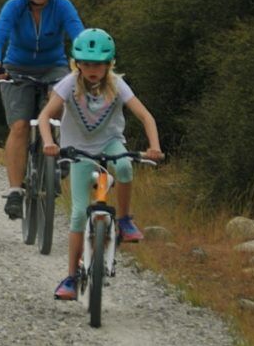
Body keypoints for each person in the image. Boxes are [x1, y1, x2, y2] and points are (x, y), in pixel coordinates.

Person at [37, 28, 164, 300]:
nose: (92, 70)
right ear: (77, 64)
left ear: (109, 64)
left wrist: (155, 147)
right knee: (78, 214)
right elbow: (46, 116)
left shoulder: (117, 85)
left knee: (126, 167)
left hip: (110, 145)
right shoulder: (69, 84)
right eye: (86, 64)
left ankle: (125, 219)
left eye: (99, 64)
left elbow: (146, 117)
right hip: (79, 150)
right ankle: (71, 277)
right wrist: (50, 143)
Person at [0, 0, 84, 219]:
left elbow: (77, 34)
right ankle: (16, 190)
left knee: (57, 106)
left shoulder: (62, 6)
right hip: (16, 68)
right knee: (19, 126)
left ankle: (58, 153)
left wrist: (85, 60)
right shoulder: (13, 8)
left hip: (54, 66)